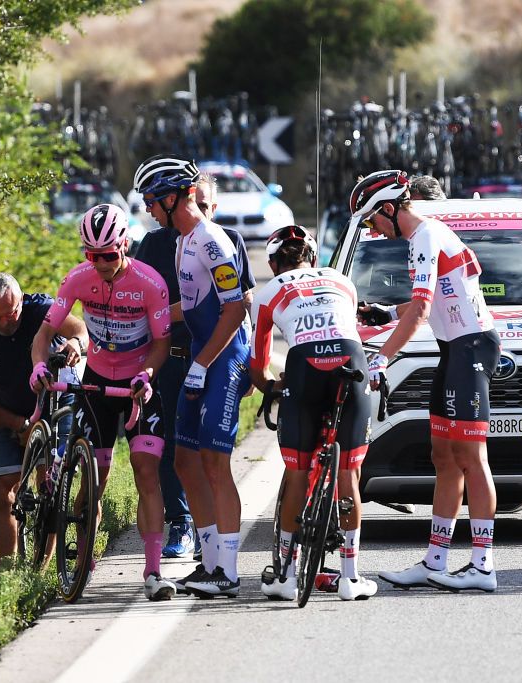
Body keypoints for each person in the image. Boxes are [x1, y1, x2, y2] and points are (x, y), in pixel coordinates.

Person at [351, 170, 502, 592]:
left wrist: (381, 359)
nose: (375, 232)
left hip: (471, 348)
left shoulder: (425, 237)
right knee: (443, 456)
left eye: (371, 222)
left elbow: (421, 312)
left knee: (471, 457)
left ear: (388, 208)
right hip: (454, 349)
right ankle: (436, 559)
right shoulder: (424, 238)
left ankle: (483, 565)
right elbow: (428, 302)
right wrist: (386, 312)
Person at [30, 203, 177, 601]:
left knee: (147, 473)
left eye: (108, 255)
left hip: (137, 384)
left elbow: (162, 343)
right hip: (96, 384)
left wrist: (146, 375)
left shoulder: (150, 283)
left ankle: (152, 570)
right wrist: (39, 366)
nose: (100, 264)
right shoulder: (77, 280)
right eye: (91, 255)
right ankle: (83, 562)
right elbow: (44, 333)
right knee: (94, 477)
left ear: (125, 245)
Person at [133, 155, 252, 597]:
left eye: (150, 200)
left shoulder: (212, 241)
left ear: (170, 197)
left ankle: (230, 571)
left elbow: (235, 308)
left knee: (215, 464)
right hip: (202, 357)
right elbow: (197, 304)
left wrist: (202, 364)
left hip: (222, 358)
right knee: (184, 461)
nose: (147, 209)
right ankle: (209, 562)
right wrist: (156, 315)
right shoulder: (182, 240)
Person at [249, 225, 378, 601]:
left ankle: (287, 576)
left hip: (304, 369)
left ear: (273, 263)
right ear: (313, 256)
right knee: (349, 475)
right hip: (351, 365)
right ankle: (351, 578)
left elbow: (257, 364)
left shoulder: (270, 292)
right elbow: (346, 328)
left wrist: (273, 389)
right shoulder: (342, 282)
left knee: (298, 472)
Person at [0, 273, 87, 564]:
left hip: (55, 401)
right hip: (8, 411)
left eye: (11, 313)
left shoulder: (40, 308)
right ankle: (7, 573)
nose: (5, 322)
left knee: (48, 482)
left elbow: (79, 327)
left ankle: (40, 569)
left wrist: (76, 344)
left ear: (21, 300)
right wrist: (20, 425)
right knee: (3, 490)